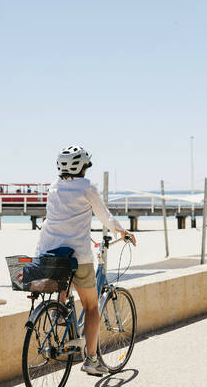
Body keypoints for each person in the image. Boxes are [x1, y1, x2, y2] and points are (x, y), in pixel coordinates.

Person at [35, 145, 136, 376]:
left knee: (65, 278)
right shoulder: (86, 187)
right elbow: (104, 216)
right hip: (78, 256)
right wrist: (123, 231)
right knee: (91, 307)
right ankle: (91, 360)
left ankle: (57, 310)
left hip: (47, 254)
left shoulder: (53, 188)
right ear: (83, 167)